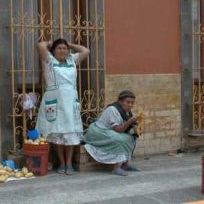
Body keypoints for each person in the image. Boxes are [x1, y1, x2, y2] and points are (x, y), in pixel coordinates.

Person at [36, 38, 89, 175]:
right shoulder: (49, 60)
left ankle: (69, 162)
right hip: (55, 99)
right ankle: (61, 162)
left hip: (71, 99)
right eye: (59, 48)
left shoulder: (72, 60)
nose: (62, 50)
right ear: (53, 50)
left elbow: (86, 51)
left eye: (64, 48)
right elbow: (40, 45)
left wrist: (70, 44)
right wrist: (50, 43)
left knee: (70, 132)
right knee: (58, 132)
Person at [84, 90, 141, 176]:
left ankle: (125, 165)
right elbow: (117, 130)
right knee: (120, 139)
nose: (130, 105)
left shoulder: (127, 111)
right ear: (120, 101)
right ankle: (116, 168)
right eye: (128, 102)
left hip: (109, 131)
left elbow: (128, 128)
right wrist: (129, 122)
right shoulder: (112, 109)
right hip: (98, 132)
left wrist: (137, 128)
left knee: (132, 137)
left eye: (132, 103)